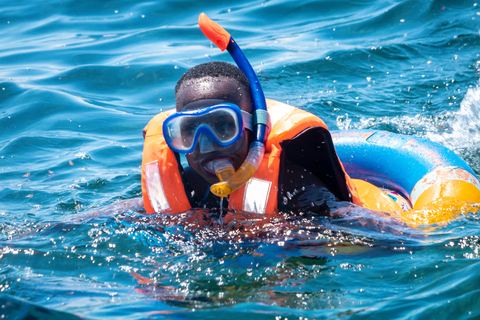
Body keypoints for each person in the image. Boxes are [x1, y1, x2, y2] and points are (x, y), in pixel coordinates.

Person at [141, 61, 365, 216]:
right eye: (189, 130)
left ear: (255, 128)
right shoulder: (189, 186)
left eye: (224, 125)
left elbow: (373, 238)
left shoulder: (296, 189)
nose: (207, 146)